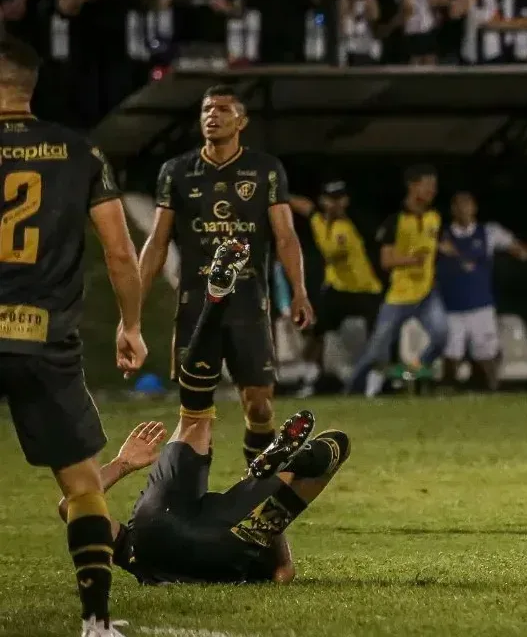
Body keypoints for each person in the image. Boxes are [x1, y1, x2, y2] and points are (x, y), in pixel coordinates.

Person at [63, 239, 351, 586]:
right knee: (330, 444)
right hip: (217, 545)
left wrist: (124, 463)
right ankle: (283, 465)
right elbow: (283, 573)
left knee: (199, 424)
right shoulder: (136, 554)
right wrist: (121, 464)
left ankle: (215, 303)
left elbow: (71, 506)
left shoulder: (136, 555)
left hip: (163, 536)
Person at [0, 37, 147, 637]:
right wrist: (131, 325)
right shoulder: (80, 152)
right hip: (43, 337)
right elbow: (118, 251)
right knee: (83, 484)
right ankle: (95, 621)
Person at [138, 85, 314, 465]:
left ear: (241, 121)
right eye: (205, 110)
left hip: (249, 303)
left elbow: (285, 236)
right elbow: (156, 242)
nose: (212, 116)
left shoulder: (265, 170)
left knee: (262, 408)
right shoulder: (177, 171)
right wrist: (132, 305)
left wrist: (299, 290)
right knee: (195, 415)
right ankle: (190, 499)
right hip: (196, 307)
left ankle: (256, 493)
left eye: (221, 109)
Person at [347, 164, 450, 395]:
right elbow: (386, 261)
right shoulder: (395, 221)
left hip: (427, 293)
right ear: (413, 186)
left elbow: (438, 243)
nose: (433, 190)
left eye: (434, 186)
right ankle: (351, 390)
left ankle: (414, 370)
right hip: (400, 296)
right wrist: (412, 260)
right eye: (428, 185)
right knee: (377, 350)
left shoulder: (435, 217)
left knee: (441, 335)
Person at [288, 181, 382, 395]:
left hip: (366, 290)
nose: (335, 204)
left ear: (346, 202)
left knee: (378, 337)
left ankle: (374, 381)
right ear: (323, 201)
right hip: (338, 289)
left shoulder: (347, 227)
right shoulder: (319, 220)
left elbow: (331, 253)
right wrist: (279, 193)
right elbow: (305, 206)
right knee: (314, 329)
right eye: (331, 199)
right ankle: (312, 376)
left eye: (339, 199)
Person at [438, 191, 527, 391]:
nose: (463, 209)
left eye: (467, 204)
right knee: (451, 353)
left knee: (486, 353)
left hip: (480, 305)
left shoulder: (488, 232)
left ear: (474, 208)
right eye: (459, 205)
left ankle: (492, 389)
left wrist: (519, 251)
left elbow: (519, 250)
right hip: (451, 307)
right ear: (453, 209)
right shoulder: (441, 234)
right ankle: (447, 391)